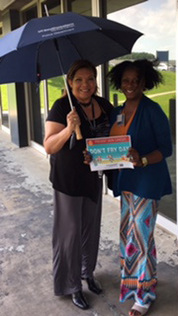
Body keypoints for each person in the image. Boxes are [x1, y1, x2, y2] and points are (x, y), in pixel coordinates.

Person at [43, 60, 113, 310]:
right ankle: (71, 286)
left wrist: (101, 154)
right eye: (79, 80)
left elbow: (112, 138)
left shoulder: (103, 105)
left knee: (90, 231)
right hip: (68, 180)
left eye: (90, 79)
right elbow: (50, 145)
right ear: (70, 83)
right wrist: (69, 128)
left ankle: (87, 273)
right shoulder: (62, 107)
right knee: (69, 236)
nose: (86, 84)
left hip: (93, 178)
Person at [108, 59, 172, 316]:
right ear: (119, 84)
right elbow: (112, 145)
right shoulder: (118, 111)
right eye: (126, 81)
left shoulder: (153, 110)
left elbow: (165, 149)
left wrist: (142, 159)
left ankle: (144, 296)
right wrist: (96, 156)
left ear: (145, 82)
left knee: (142, 239)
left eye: (136, 80)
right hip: (126, 183)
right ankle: (136, 282)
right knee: (128, 236)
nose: (131, 85)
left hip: (147, 183)